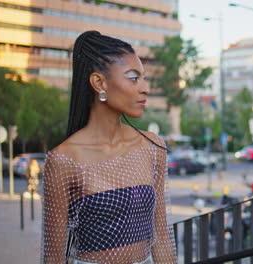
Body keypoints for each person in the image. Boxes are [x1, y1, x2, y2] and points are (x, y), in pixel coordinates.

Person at [41, 31, 176, 264]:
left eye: (143, 78)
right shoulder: (64, 160)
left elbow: (161, 236)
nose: (145, 88)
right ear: (99, 82)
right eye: (133, 77)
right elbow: (54, 257)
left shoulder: (153, 148)